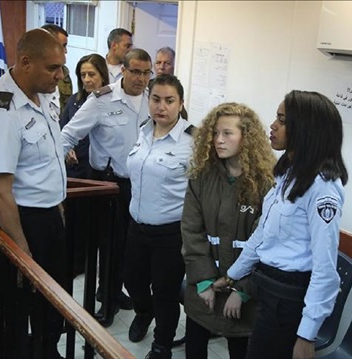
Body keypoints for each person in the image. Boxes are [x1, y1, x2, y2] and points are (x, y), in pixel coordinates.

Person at [213, 90, 349, 359]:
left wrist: (307, 335)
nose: (272, 125)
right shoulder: (289, 173)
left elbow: (325, 269)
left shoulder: (323, 188)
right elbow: (263, 233)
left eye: (282, 120)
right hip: (268, 288)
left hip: (288, 300)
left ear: (305, 129)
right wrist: (232, 274)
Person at [0, 28, 67, 359]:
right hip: (20, 224)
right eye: (53, 67)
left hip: (47, 216)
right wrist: (21, 253)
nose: (60, 75)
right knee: (16, 307)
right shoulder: (3, 110)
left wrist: (58, 208)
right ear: (26, 62)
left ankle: (46, 349)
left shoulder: (39, 97)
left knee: (52, 303)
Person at [61, 48, 153, 327]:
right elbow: (69, 133)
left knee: (129, 245)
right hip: (108, 182)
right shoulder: (102, 99)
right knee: (109, 244)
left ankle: (114, 290)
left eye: (146, 73)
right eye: (135, 71)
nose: (140, 78)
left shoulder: (152, 100)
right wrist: (53, 166)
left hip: (140, 184)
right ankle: (106, 302)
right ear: (122, 70)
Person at [181, 102, 276, 359]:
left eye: (227, 133)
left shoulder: (266, 184)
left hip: (245, 296)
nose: (218, 140)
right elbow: (191, 232)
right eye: (214, 133)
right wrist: (203, 282)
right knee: (195, 349)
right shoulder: (202, 176)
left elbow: (266, 245)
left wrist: (241, 290)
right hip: (204, 289)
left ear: (247, 137)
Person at [123, 75, 194, 359]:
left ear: (180, 103)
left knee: (165, 292)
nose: (161, 107)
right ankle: (143, 312)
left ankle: (162, 344)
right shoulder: (143, 130)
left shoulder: (193, 141)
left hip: (169, 232)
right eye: (155, 99)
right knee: (133, 282)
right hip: (136, 227)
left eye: (169, 100)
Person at [59, 53, 110, 276]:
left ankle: (92, 264)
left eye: (92, 74)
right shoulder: (75, 100)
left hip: (97, 172)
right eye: (83, 75)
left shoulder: (109, 101)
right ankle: (74, 261)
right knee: (74, 221)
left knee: (94, 224)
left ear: (102, 75)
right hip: (75, 170)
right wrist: (66, 148)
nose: (87, 79)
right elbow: (63, 129)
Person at [42, 24, 73, 112]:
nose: (66, 51)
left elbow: (66, 105)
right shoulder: (35, 75)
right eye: (63, 46)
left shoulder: (64, 72)